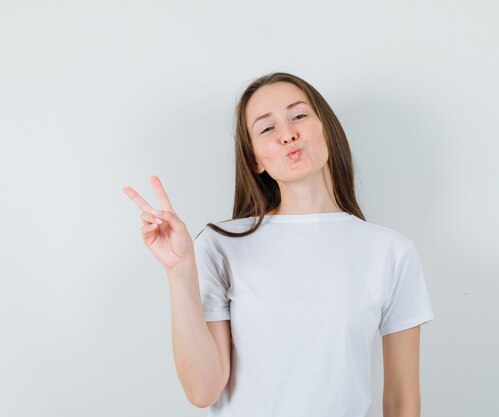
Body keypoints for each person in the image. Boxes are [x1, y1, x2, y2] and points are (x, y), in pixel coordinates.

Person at [123, 72, 435, 416]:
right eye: (267, 128)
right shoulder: (221, 246)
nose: (288, 134)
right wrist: (180, 270)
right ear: (255, 159)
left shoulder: (390, 251)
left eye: (299, 115)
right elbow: (203, 390)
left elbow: (402, 401)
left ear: (326, 130)